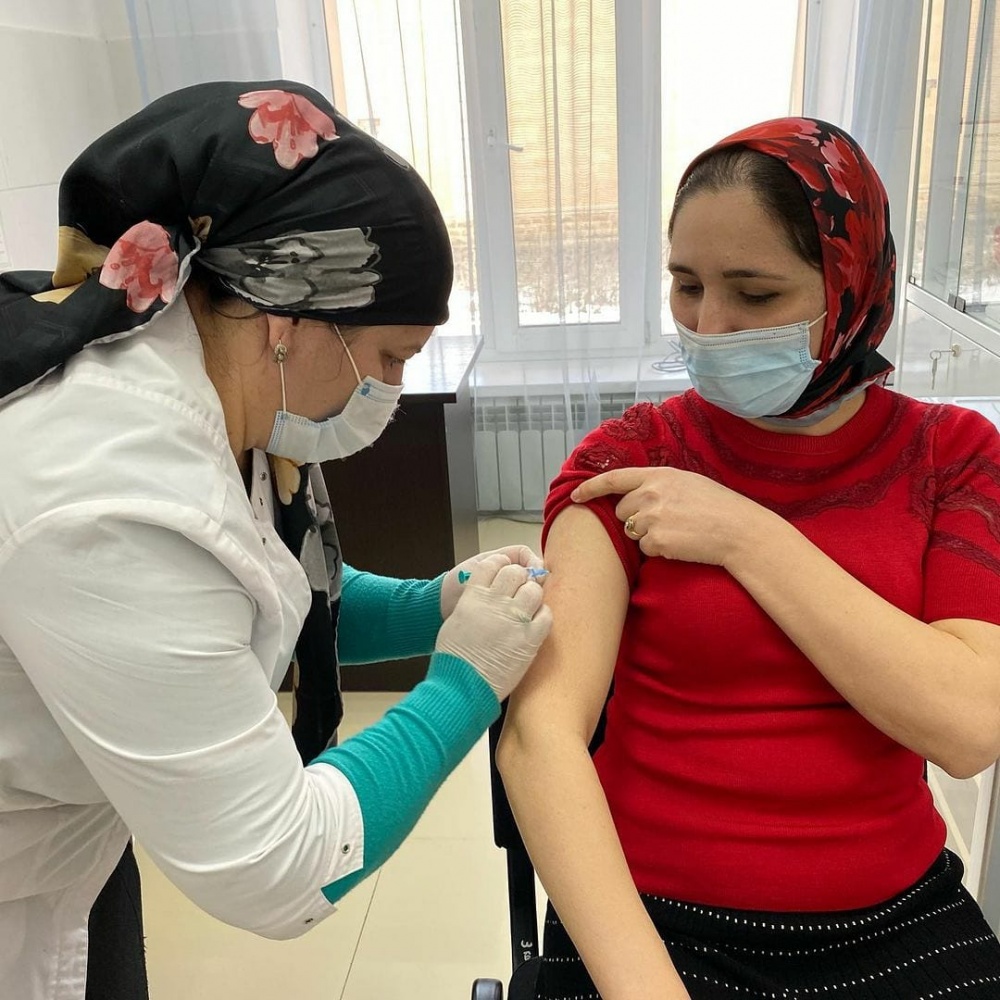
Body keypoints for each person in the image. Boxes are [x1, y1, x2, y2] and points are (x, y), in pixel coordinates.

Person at [0, 80, 552, 1000]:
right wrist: (464, 683)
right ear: (290, 319)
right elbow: (279, 865)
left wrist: (433, 606)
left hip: (78, 830)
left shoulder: (220, 386)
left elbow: (264, 596)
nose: (389, 391)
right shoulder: (110, 500)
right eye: (389, 358)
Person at [497, 117, 1000, 1000]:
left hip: (893, 918)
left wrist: (749, 536)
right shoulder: (629, 459)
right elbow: (541, 737)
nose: (710, 326)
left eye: (755, 295)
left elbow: (966, 728)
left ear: (852, 287)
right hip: (650, 920)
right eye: (686, 286)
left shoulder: (953, 456)